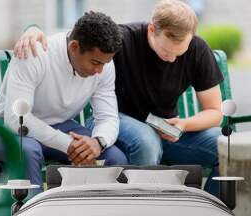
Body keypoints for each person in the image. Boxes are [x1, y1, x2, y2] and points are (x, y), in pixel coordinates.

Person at [14, 0, 223, 197]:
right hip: (121, 121)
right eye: (167, 51)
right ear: (152, 30)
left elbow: (215, 112)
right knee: (147, 141)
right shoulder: (122, 40)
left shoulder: (198, 50)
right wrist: (31, 28)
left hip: (169, 129)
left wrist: (184, 124)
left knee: (225, 147)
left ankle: (212, 212)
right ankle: (137, 213)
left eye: (180, 53)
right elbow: (84, 35)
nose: (172, 59)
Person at [0, 12, 128, 193]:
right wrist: (67, 143)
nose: (99, 70)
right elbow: (16, 120)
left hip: (59, 128)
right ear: (74, 47)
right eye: (95, 62)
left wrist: (97, 142)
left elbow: (108, 117)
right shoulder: (34, 53)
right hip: (5, 131)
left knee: (114, 158)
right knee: (28, 150)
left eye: (104, 64)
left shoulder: (104, 66)